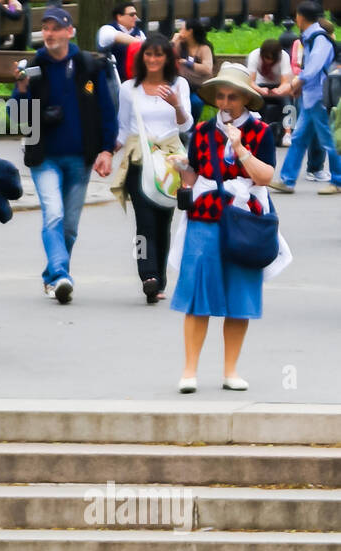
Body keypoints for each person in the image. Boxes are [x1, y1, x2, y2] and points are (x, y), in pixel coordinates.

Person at [170, 64, 279, 392]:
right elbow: (195, 171)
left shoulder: (261, 132)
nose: (226, 102)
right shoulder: (202, 132)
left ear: (246, 98)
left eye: (232, 96)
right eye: (221, 96)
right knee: (196, 296)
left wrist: (241, 148)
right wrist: (182, 174)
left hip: (245, 220)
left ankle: (230, 371)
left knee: (240, 296)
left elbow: (265, 177)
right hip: (203, 218)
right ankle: (189, 371)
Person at [12, 7, 118, 304]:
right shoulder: (33, 67)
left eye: (56, 28)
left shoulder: (88, 65)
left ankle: (51, 278)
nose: (49, 33)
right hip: (44, 155)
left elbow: (106, 110)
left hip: (80, 157)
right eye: (45, 28)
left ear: (69, 32)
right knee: (53, 215)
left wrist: (107, 149)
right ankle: (60, 274)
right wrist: (21, 89)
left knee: (69, 227)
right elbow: (16, 114)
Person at [111, 37, 193, 303]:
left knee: (163, 222)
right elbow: (123, 127)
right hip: (139, 159)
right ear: (142, 57)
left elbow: (185, 125)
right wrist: (107, 151)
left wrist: (176, 104)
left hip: (170, 161)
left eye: (159, 55)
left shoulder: (179, 85)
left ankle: (160, 279)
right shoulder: (128, 89)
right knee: (144, 222)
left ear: (167, 58)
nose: (153, 60)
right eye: (149, 55)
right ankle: (147, 276)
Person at [272, 2, 341, 192]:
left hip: (319, 99)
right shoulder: (312, 38)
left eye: (297, 16)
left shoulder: (320, 40)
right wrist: (300, 86)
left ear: (301, 17)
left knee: (328, 140)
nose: (295, 19)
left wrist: (294, 84)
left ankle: (338, 181)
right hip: (311, 98)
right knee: (299, 139)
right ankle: (287, 181)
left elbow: (312, 70)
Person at [174, 18, 215, 119]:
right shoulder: (180, 45)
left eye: (182, 29)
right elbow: (167, 56)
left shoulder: (204, 48)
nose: (179, 32)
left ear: (190, 31)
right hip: (181, 85)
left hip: (198, 88)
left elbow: (207, 68)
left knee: (195, 102)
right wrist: (174, 41)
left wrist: (188, 63)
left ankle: (191, 129)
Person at [97, 2, 146, 83]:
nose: (136, 17)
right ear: (119, 17)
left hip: (133, 80)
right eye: (132, 15)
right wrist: (139, 42)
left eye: (135, 14)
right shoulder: (106, 29)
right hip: (111, 80)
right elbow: (117, 36)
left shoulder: (139, 32)